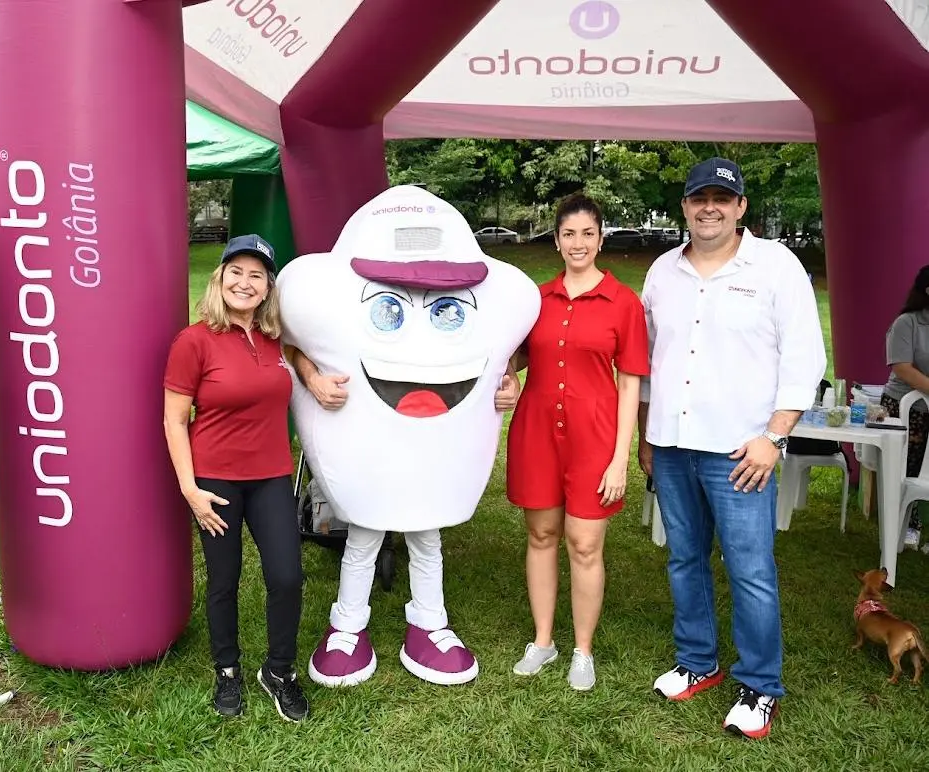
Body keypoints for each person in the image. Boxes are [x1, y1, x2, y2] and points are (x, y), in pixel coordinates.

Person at [277, 185, 539, 689]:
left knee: (427, 534)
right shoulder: (316, 303)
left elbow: (504, 353)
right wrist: (310, 376)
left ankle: (429, 622)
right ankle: (348, 626)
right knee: (363, 534)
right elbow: (286, 341)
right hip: (373, 454)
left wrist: (506, 380)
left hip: (430, 456)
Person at [637, 158, 825, 739]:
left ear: (742, 206)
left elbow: (805, 359)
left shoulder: (775, 267)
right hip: (671, 446)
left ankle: (760, 685)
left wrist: (774, 436)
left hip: (743, 452)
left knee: (751, 571)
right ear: (686, 206)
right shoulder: (663, 271)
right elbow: (648, 360)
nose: (709, 207)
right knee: (684, 559)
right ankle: (698, 661)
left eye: (723, 197)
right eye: (699, 198)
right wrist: (647, 434)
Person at [162, 234, 308, 722]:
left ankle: (279, 672)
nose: (245, 283)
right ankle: (227, 670)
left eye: (257, 275)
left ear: (268, 287)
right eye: (236, 272)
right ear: (219, 277)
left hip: (271, 477)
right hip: (215, 482)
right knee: (224, 580)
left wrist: (316, 377)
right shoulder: (195, 340)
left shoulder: (273, 339)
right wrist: (190, 489)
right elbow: (174, 419)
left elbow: (297, 355)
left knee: (286, 577)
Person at [506, 193, 649, 691]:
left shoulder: (623, 303)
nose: (578, 243)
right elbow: (516, 357)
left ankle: (582, 650)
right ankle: (543, 641)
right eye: (569, 234)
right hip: (537, 433)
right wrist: (507, 378)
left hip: (594, 437)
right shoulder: (536, 301)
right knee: (541, 535)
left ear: (601, 238)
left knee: (584, 543)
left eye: (588, 233)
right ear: (557, 240)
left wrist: (620, 460)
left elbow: (630, 383)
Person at [881, 265, 929, 491]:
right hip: (905, 407)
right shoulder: (907, 323)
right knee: (907, 468)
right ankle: (906, 516)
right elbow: (903, 368)